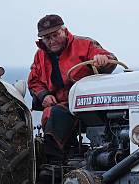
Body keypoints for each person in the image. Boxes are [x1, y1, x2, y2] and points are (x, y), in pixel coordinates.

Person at [28, 14, 116, 159]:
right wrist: (44, 95)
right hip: (61, 104)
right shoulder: (40, 55)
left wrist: (103, 60)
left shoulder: (85, 45)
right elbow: (34, 81)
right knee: (52, 113)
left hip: (88, 101)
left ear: (64, 31)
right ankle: (55, 161)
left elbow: (109, 59)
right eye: (47, 38)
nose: (52, 41)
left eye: (55, 35)